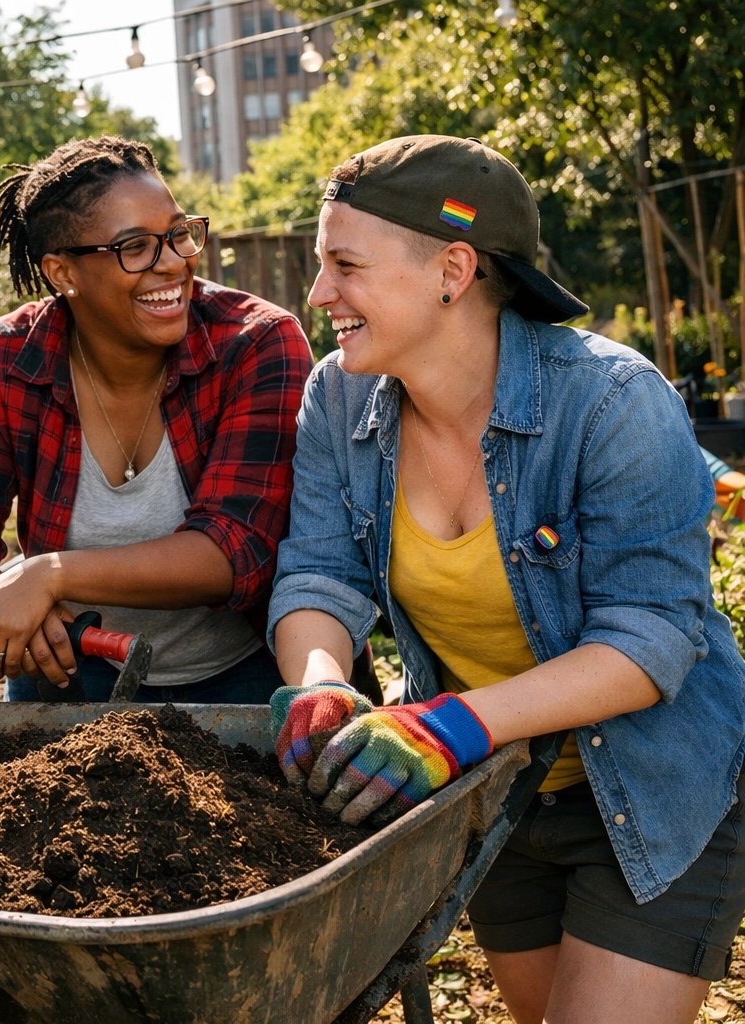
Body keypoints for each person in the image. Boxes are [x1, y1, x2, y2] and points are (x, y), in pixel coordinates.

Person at [267, 135, 745, 1023]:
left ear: (452, 270)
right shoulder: (339, 396)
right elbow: (319, 574)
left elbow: (650, 641)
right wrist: (323, 684)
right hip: (497, 787)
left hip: (652, 783)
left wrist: (452, 724)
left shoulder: (612, 404)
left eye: (344, 265)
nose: (320, 293)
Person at [0, 136, 313, 702]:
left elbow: (233, 548)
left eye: (178, 234)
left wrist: (47, 575)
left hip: (239, 679)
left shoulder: (254, 343)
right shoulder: (3, 360)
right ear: (61, 272)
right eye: (135, 247)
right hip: (65, 673)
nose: (173, 262)